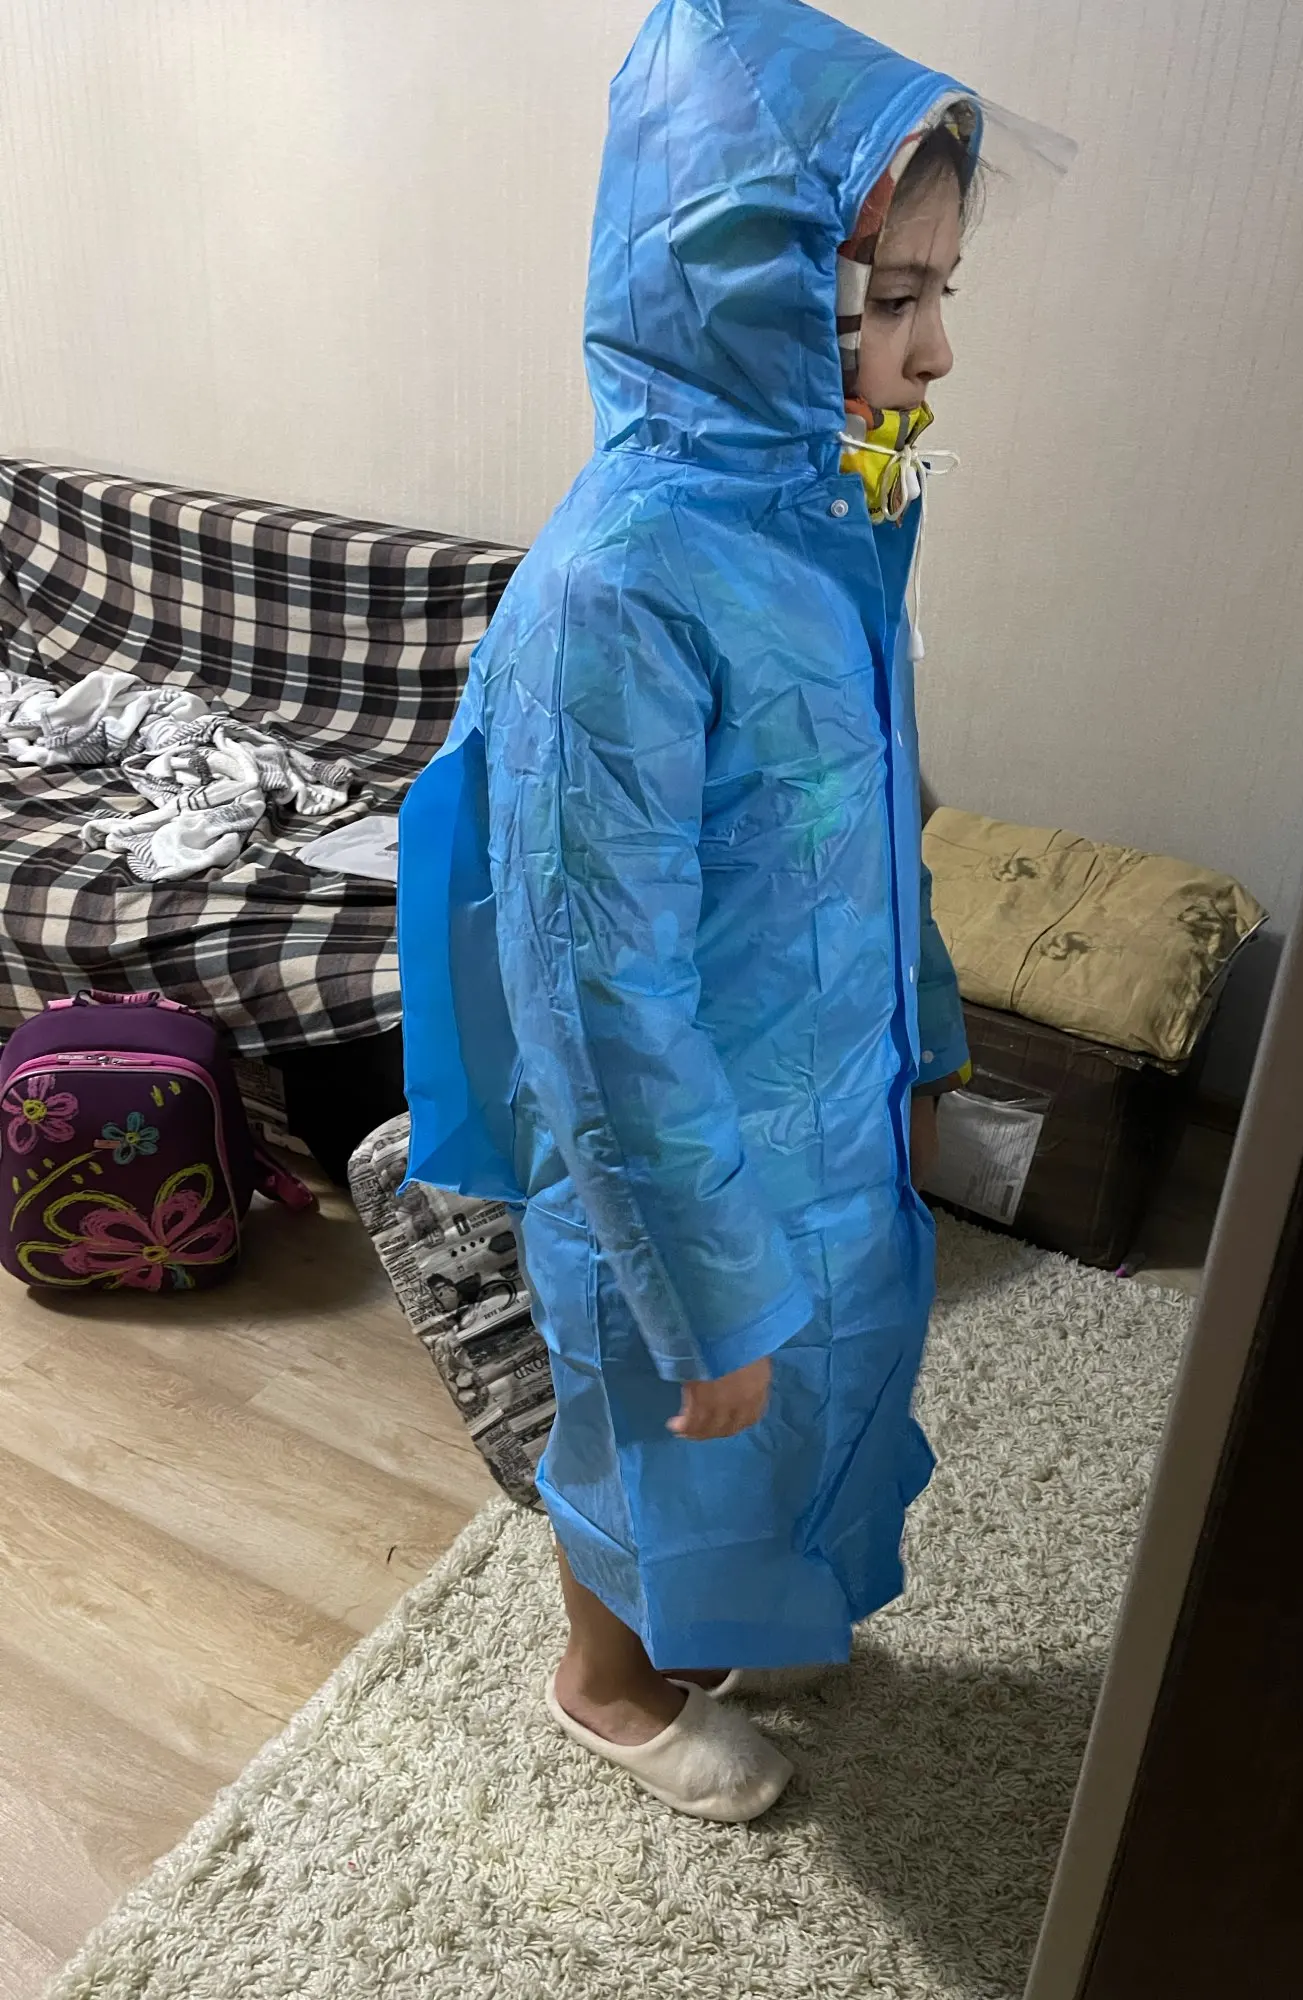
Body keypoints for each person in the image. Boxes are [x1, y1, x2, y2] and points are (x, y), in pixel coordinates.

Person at [398, 0, 1067, 1822]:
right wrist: (697, 1281)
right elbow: (592, 985)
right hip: (674, 1154)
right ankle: (604, 1680)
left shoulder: (826, 523)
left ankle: (735, 1603)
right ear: (738, 294)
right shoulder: (612, 596)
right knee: (653, 1432)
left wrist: (928, 1038)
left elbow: (877, 821)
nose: (937, 352)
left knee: (805, 1403)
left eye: (940, 293)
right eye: (892, 300)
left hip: (821, 1099)